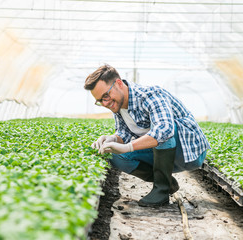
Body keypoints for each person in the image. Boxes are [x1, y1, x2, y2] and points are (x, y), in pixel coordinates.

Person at [84, 64, 211, 207]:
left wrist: (128, 147)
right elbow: (123, 133)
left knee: (163, 131)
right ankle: (166, 183)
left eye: (106, 96)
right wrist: (112, 139)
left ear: (118, 83)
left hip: (188, 152)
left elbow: (164, 130)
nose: (105, 103)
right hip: (162, 153)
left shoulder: (150, 95)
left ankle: (161, 190)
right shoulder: (118, 106)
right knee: (112, 154)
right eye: (100, 100)